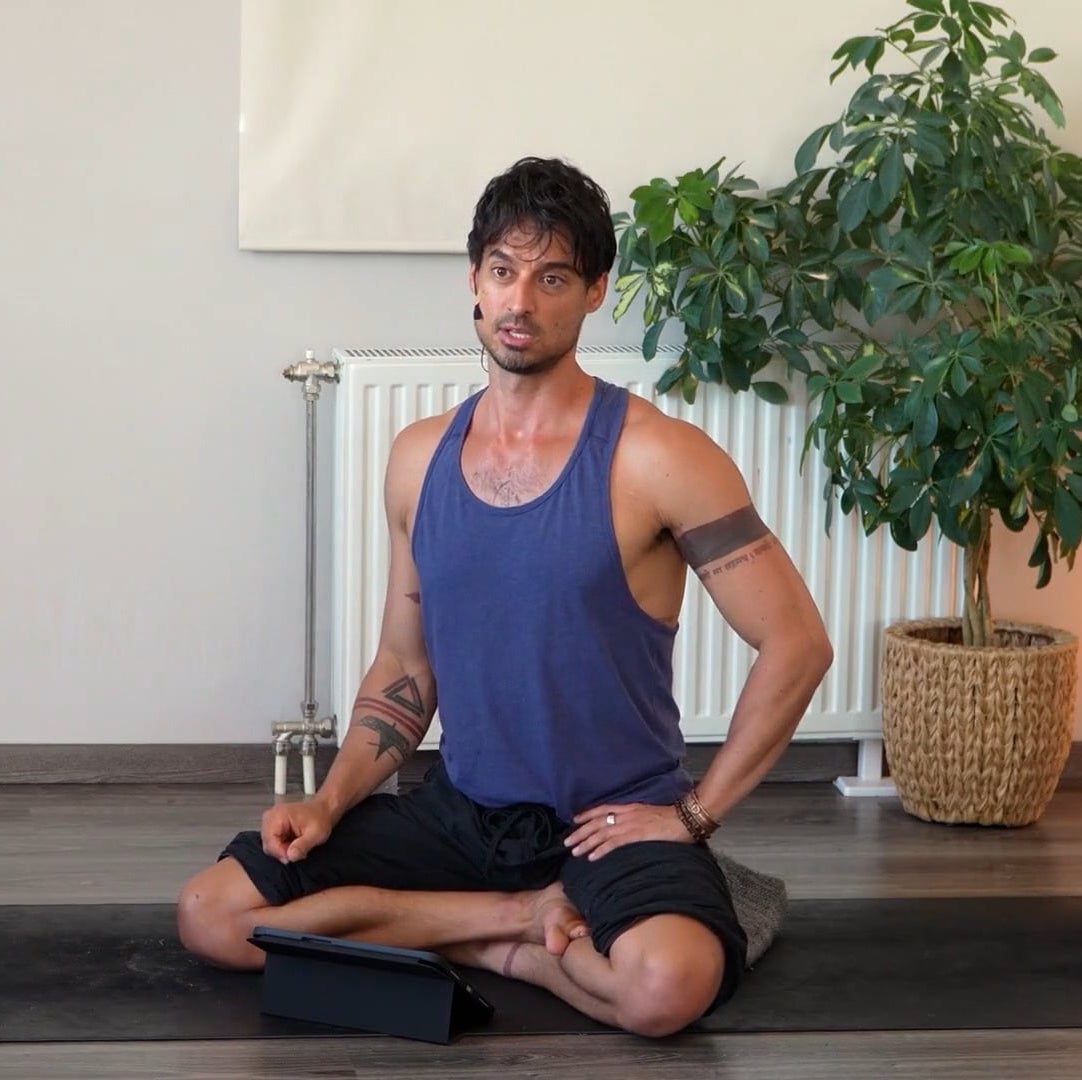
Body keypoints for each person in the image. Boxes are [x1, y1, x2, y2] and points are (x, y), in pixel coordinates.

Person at [177, 156, 833, 1038]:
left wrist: (693, 815)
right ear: (475, 281)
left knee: (665, 988)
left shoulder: (660, 457)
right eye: (503, 270)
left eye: (552, 277)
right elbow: (406, 667)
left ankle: (479, 933)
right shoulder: (419, 458)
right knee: (211, 914)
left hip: (603, 822)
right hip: (460, 815)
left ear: (595, 292)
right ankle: (513, 928)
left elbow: (798, 643)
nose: (520, 300)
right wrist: (328, 803)